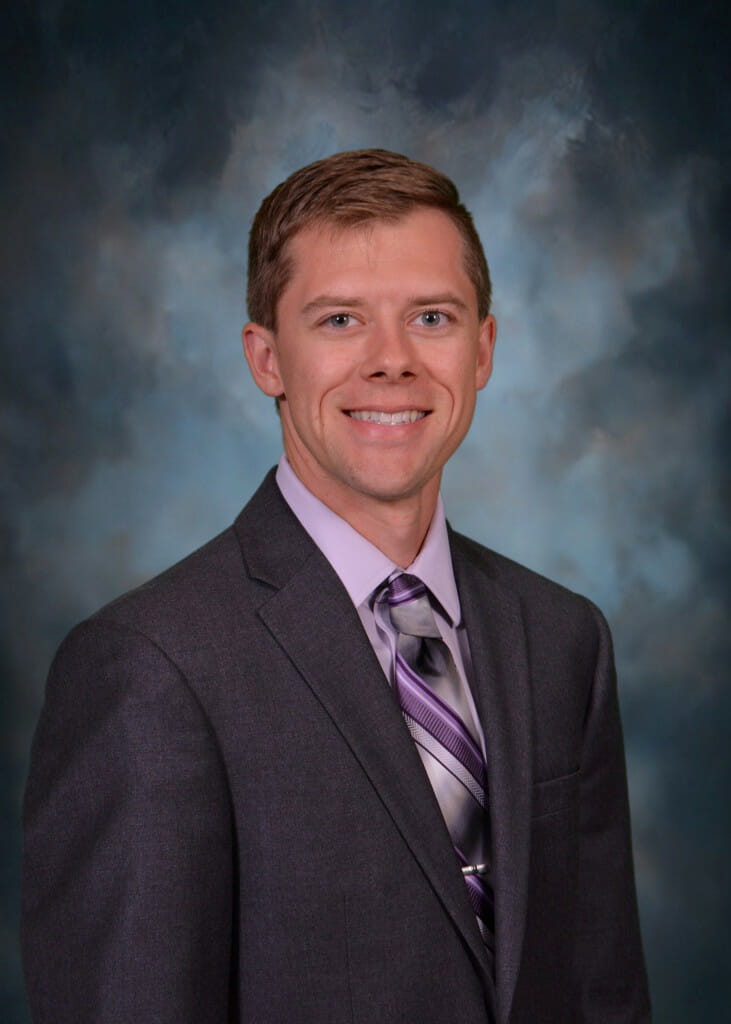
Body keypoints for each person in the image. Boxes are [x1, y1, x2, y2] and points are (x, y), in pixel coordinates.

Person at [21, 149, 651, 1023]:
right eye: (340, 320)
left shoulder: (561, 637)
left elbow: (601, 993)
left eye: (431, 316)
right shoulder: (149, 668)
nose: (391, 361)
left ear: (483, 349)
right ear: (266, 358)